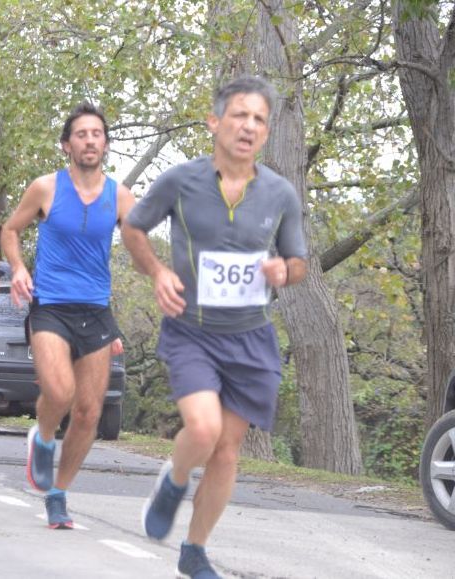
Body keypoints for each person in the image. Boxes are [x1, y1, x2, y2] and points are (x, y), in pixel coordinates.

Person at [120, 76, 308, 578]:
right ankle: (175, 478)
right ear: (215, 122)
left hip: (250, 336)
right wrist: (158, 271)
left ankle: (195, 550)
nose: (248, 127)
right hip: (192, 331)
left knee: (227, 451)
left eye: (259, 120)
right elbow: (134, 226)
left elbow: (298, 262)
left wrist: (282, 272)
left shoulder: (280, 193)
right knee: (202, 429)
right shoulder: (180, 181)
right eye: (240, 115)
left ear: (266, 133)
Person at [0, 102, 135, 529]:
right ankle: (41, 438)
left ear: (106, 145)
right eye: (81, 134)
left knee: (90, 413)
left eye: (97, 133)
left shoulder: (120, 196)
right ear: (66, 145)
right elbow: (9, 230)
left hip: (96, 311)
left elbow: (139, 244)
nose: (90, 140)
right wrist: (19, 268)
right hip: (51, 307)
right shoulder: (45, 188)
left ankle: (59, 493)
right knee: (59, 392)